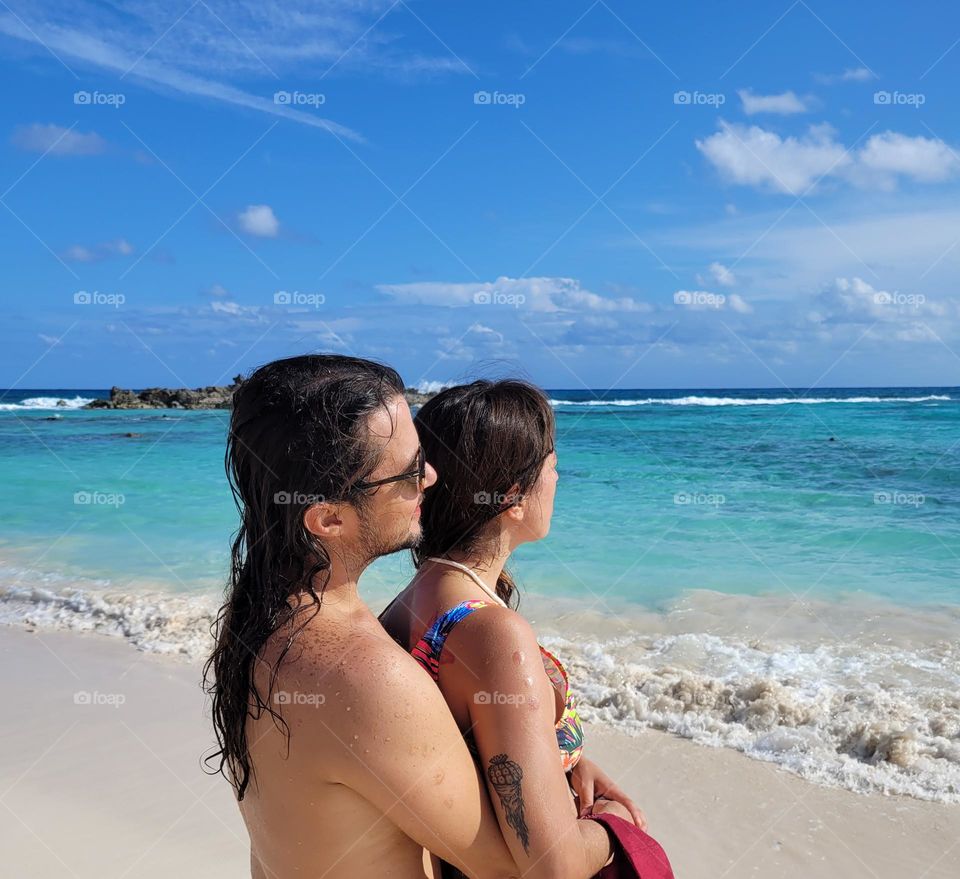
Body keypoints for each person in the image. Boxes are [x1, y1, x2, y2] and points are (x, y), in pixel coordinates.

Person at [204, 355, 619, 879]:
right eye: (407, 471)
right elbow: (523, 870)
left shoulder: (266, 623)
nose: (431, 477)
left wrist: (561, 759)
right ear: (329, 518)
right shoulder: (363, 672)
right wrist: (615, 826)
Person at [380, 379, 646, 877]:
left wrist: (564, 764)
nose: (559, 478)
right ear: (513, 499)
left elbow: (474, 756)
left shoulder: (411, 600)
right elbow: (553, 867)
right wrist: (614, 828)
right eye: (551, 467)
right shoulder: (491, 633)